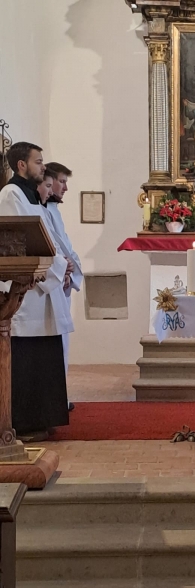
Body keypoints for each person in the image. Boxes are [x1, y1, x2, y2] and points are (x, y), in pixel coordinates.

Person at [0, 142, 74, 441]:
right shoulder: (11, 194)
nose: (44, 167)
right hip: (27, 292)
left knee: (43, 355)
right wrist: (59, 266)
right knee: (27, 359)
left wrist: (62, 265)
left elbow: (49, 238)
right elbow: (23, 240)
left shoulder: (31, 195)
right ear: (21, 165)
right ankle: (24, 422)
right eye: (38, 162)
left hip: (42, 287)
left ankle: (42, 418)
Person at [45, 162, 83, 412]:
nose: (65, 188)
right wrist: (64, 268)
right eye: (61, 181)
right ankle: (55, 398)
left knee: (62, 344)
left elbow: (64, 245)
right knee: (54, 344)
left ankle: (60, 395)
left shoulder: (52, 210)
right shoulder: (40, 209)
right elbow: (52, 246)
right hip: (53, 281)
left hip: (61, 278)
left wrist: (69, 267)